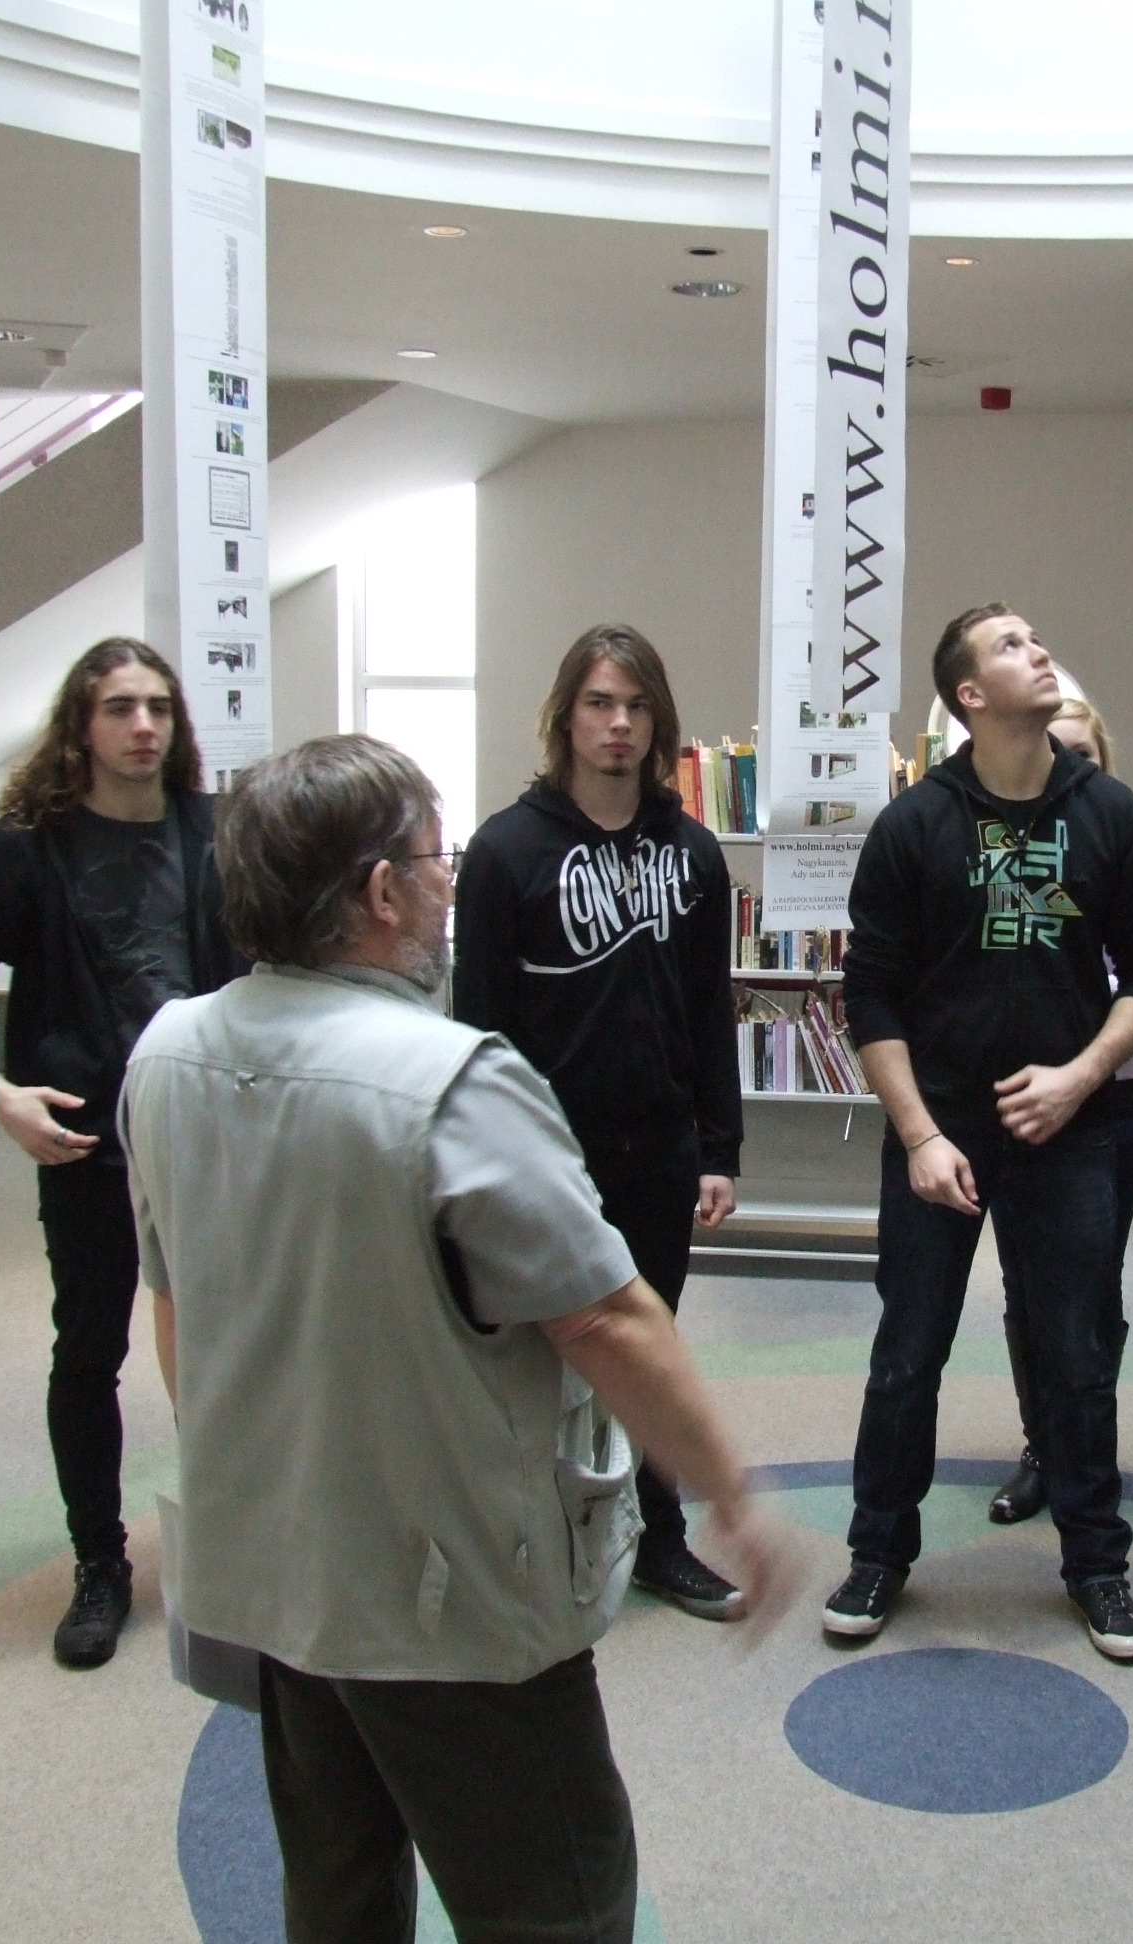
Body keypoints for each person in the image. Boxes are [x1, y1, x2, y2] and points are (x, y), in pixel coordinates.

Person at [123, 735, 793, 1944]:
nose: (451, 883)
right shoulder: (455, 1081)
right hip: (452, 1600)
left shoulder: (166, 1052)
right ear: (383, 892)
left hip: (274, 1571)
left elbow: (177, 1313)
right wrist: (731, 1493)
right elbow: (604, 1314)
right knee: (555, 1904)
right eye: (440, 860)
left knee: (337, 1889)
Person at [827, 605, 1133, 1660]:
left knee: (1076, 1356)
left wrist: (1080, 1078)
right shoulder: (913, 826)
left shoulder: (1110, 812)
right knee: (908, 1353)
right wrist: (921, 1136)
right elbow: (870, 996)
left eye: (1038, 637)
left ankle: (1098, 1566)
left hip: (1068, 1129)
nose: (1041, 649)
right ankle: (878, 1553)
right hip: (940, 1132)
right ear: (970, 696)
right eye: (1012, 645)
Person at [453, 623, 748, 1622]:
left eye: (637, 705)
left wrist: (719, 1147)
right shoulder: (505, 852)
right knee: (535, 1358)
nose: (619, 723)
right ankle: (530, 1540)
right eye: (599, 703)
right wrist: (489, 1161)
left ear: (658, 723)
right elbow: (479, 1028)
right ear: (566, 717)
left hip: (659, 1152)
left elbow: (711, 1010)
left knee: (646, 1351)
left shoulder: (694, 854)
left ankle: (659, 1540)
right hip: (545, 1160)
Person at [0, 637, 243, 1669]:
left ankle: (237, 1543)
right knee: (90, 1351)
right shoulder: (25, 846)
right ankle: (100, 1563)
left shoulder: (213, 832)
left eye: (159, 709)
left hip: (205, 1135)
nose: (143, 727)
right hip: (83, 1138)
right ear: (80, 727)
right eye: (120, 708)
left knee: (228, 1349)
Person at [988, 694, 1133, 1526]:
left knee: (1091, 1292)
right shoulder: (1016, 861)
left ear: (1104, 765)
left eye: (1084, 754)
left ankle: (1085, 1456)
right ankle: (1041, 1449)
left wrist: (1096, 1000)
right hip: (1023, 1105)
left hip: (1110, 1109)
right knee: (1022, 1287)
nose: (1069, 767)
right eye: (1056, 751)